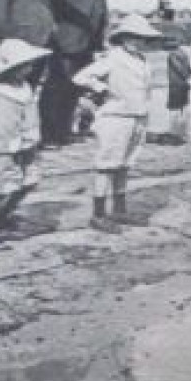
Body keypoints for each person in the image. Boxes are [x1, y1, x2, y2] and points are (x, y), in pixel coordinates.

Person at [73, 14, 164, 232]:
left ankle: (120, 210)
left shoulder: (142, 60)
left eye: (141, 38)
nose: (136, 41)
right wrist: (102, 89)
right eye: (131, 37)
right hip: (116, 118)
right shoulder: (113, 58)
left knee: (125, 165)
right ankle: (98, 214)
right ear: (122, 38)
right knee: (107, 166)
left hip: (137, 116)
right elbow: (80, 77)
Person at [0, 39, 46, 246]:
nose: (28, 70)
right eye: (23, 66)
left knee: (28, 181)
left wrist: (33, 137)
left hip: (27, 144)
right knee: (0, 186)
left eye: (29, 65)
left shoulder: (25, 89)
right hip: (4, 147)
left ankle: (2, 216)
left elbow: (31, 117)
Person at [41, 0, 109, 145]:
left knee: (74, 89)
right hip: (65, 43)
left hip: (87, 44)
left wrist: (100, 42)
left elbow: (100, 10)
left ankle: (64, 131)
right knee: (56, 88)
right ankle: (50, 135)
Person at [165, 44, 191, 136]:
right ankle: (183, 130)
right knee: (184, 106)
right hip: (185, 84)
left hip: (175, 84)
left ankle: (174, 131)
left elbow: (179, 68)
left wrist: (187, 76)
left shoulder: (172, 55)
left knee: (174, 108)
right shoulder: (184, 53)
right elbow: (189, 69)